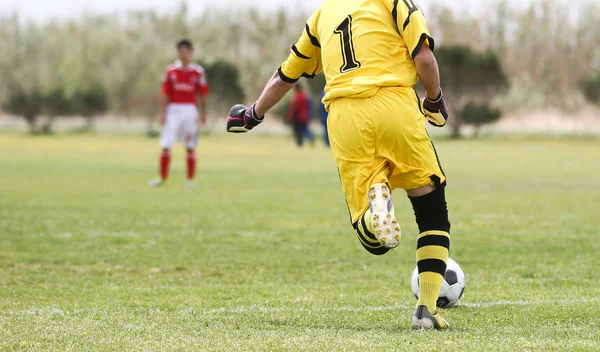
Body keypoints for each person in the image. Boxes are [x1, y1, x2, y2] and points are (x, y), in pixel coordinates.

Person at [226, 0, 451, 329]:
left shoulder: (320, 17)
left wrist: (252, 114)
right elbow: (424, 58)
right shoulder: (393, 2)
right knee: (432, 213)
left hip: (346, 118)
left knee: (373, 243)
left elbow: (285, 76)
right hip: (395, 107)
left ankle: (375, 215)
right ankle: (426, 311)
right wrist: (434, 99)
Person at [148, 39, 209, 188]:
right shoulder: (170, 71)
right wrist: (162, 113)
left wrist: (203, 114)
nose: (183, 54)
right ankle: (162, 177)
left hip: (190, 110)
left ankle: (190, 180)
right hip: (173, 110)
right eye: (180, 51)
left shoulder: (198, 72)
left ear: (191, 53)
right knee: (166, 144)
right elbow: (165, 93)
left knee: (190, 145)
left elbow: (202, 94)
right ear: (178, 53)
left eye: (186, 51)